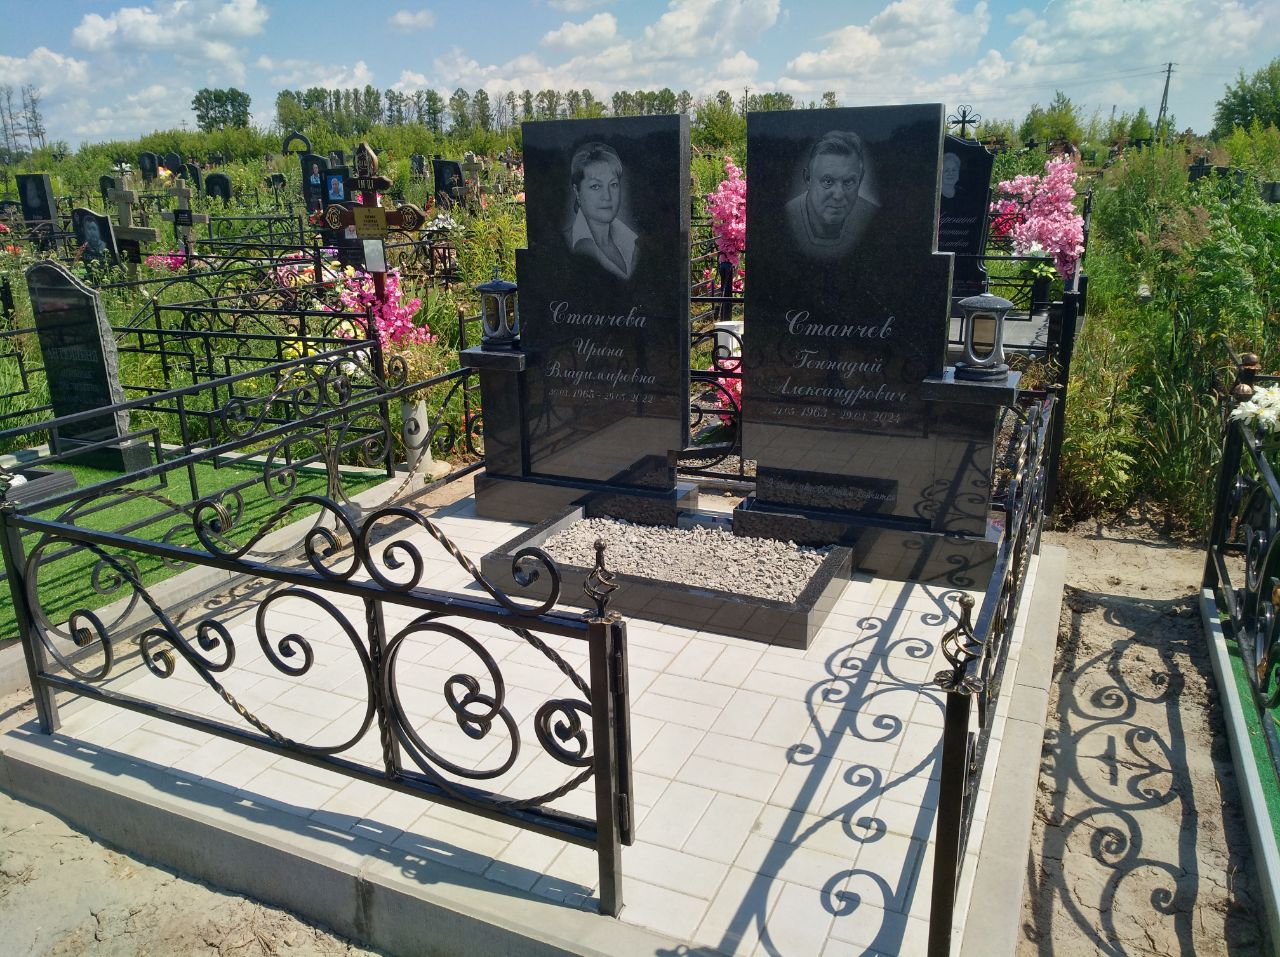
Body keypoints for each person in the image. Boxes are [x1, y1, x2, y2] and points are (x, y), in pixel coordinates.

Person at [785, 130, 874, 260]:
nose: (838, 195)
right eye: (828, 181)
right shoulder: (784, 218)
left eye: (849, 182)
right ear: (808, 178)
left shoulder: (874, 218)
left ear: (860, 180)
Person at [565, 142, 637, 280]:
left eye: (613, 184)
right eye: (596, 186)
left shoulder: (633, 243)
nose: (607, 196)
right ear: (577, 191)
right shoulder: (564, 244)